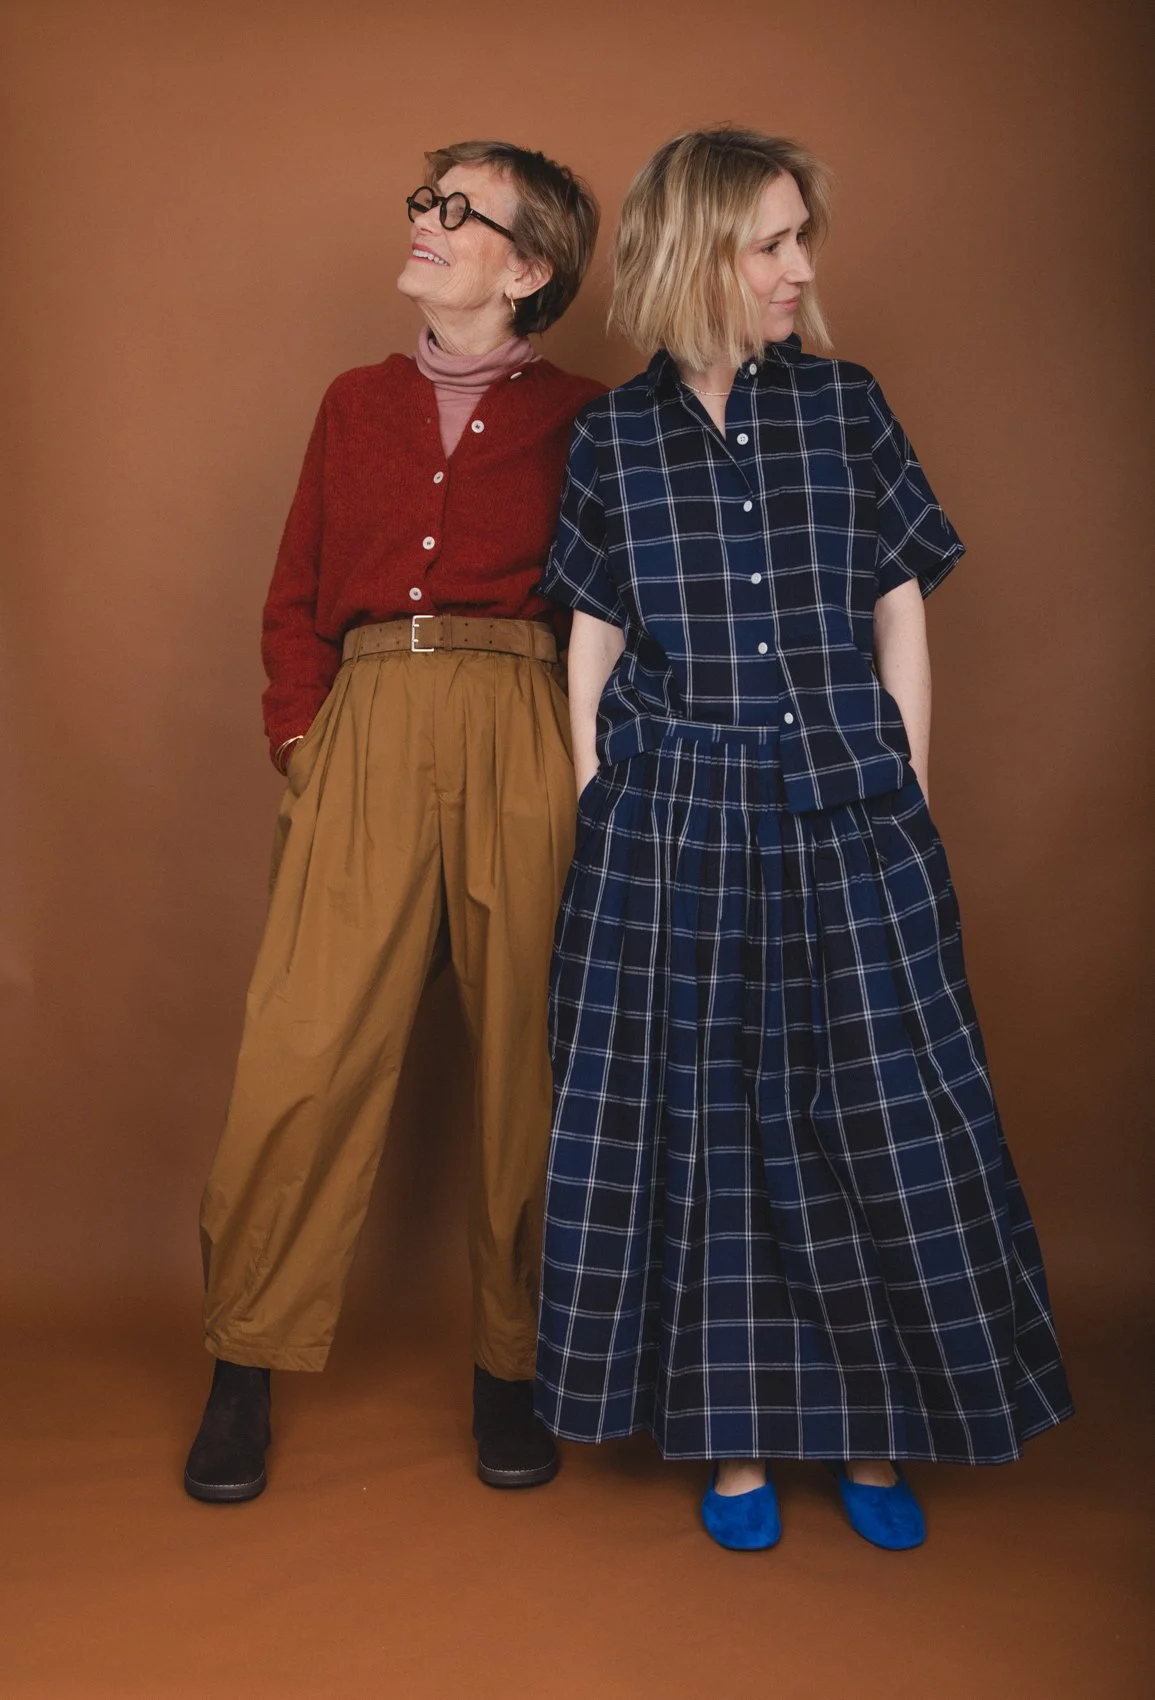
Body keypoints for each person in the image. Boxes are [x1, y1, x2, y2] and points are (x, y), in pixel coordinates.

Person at [534, 127, 1072, 1552]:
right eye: (769, 242)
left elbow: (900, 605)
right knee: (712, 1128)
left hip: (847, 804)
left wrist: (909, 782)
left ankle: (876, 1430)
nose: (798, 268)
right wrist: (602, 800)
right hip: (676, 825)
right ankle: (734, 1445)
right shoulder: (612, 437)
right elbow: (591, 640)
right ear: (696, 253)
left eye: (799, 238)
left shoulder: (846, 405)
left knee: (872, 1119)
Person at [184, 141, 603, 1502]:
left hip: (524, 731)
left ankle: (512, 1369)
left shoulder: (592, 419)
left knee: (532, 1067)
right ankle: (242, 1361)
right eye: (425, 200)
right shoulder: (353, 404)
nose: (424, 221)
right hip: (364, 726)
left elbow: (621, 615)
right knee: (298, 1054)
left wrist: (587, 769)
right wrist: (303, 740)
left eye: (456, 210)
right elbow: (293, 593)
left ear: (526, 268)